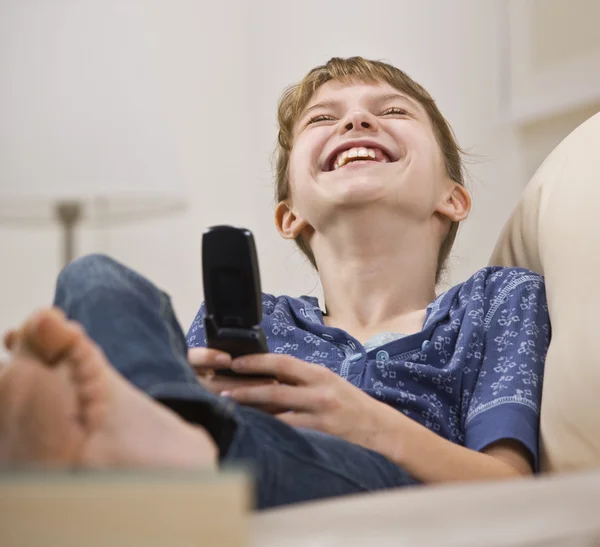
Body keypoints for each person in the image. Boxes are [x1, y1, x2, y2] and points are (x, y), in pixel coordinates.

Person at [0, 57, 549, 510]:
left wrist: (364, 422)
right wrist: (194, 396)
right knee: (95, 276)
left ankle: (138, 451)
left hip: (372, 489)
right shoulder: (262, 318)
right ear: (289, 216)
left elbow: (509, 490)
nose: (356, 123)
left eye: (391, 110)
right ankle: (154, 438)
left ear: (453, 198)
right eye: (322, 120)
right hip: (228, 459)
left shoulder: (495, 300)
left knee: (241, 444)